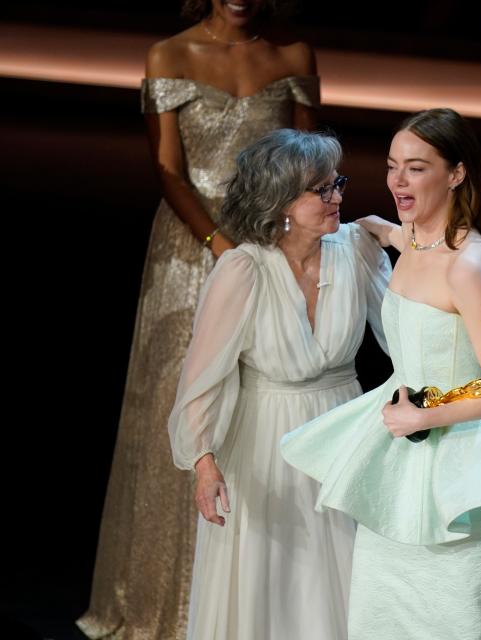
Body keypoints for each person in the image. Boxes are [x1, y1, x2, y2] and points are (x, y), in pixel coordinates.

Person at [280, 108, 481, 640]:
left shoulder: (469, 264)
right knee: (381, 618)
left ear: (455, 174)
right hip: (402, 463)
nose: (398, 181)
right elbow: (417, 245)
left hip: (461, 472)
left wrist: (425, 412)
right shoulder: (417, 238)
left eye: (417, 169)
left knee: (453, 621)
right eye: (392, 167)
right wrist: (383, 229)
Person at [78, 2, 319, 637]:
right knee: (186, 398)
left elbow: (311, 165)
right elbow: (168, 168)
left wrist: (279, 244)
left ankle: (250, 600)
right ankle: (168, 601)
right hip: (193, 248)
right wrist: (218, 243)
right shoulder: (170, 54)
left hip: (270, 241)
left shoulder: (293, 57)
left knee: (263, 396)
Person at [168, 129, 389, 639]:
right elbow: (203, 377)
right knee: (270, 581)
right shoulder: (242, 269)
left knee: (341, 576)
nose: (338, 198)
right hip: (265, 444)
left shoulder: (355, 248)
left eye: (339, 184)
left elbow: (404, 330)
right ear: (280, 201)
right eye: (321, 189)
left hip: (341, 435)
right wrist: (204, 463)